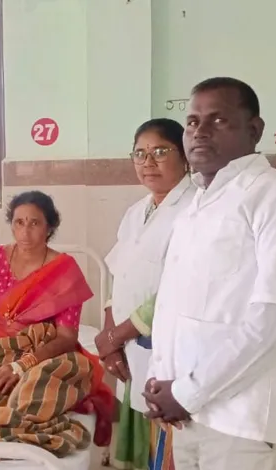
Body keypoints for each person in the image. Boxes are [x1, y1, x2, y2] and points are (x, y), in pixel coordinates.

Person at [144, 77, 276, 470]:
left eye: (218, 120)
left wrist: (186, 393)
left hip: (242, 422)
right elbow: (174, 307)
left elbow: (274, 319)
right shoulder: (197, 204)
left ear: (254, 130)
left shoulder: (275, 196)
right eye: (192, 121)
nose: (200, 131)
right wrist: (161, 381)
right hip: (188, 413)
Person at [0, 191, 113, 447]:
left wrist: (21, 366)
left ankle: (6, 424)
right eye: (19, 222)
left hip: (43, 352)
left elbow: (67, 338)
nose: (25, 231)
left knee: (39, 386)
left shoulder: (65, 269)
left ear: (49, 227)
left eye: (34, 223)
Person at [95, 118, 195, 470]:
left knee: (169, 448)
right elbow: (119, 276)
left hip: (166, 352)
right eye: (140, 153)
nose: (148, 162)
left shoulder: (195, 209)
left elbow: (178, 289)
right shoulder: (135, 212)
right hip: (130, 351)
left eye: (160, 151)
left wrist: (116, 336)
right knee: (141, 447)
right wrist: (109, 336)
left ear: (185, 156)